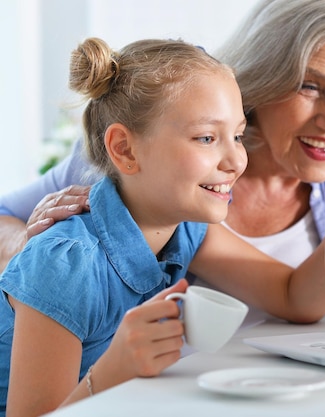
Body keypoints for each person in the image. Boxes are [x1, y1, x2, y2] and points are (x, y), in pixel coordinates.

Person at [0, 0, 325, 335]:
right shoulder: (138, 169)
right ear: (261, 82)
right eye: (309, 86)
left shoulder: (197, 224)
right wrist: (29, 249)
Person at [0, 37, 251, 416]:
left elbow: (289, 293)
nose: (236, 160)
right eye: (206, 138)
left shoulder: (184, 228)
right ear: (125, 150)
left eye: (238, 136)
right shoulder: (67, 264)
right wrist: (115, 369)